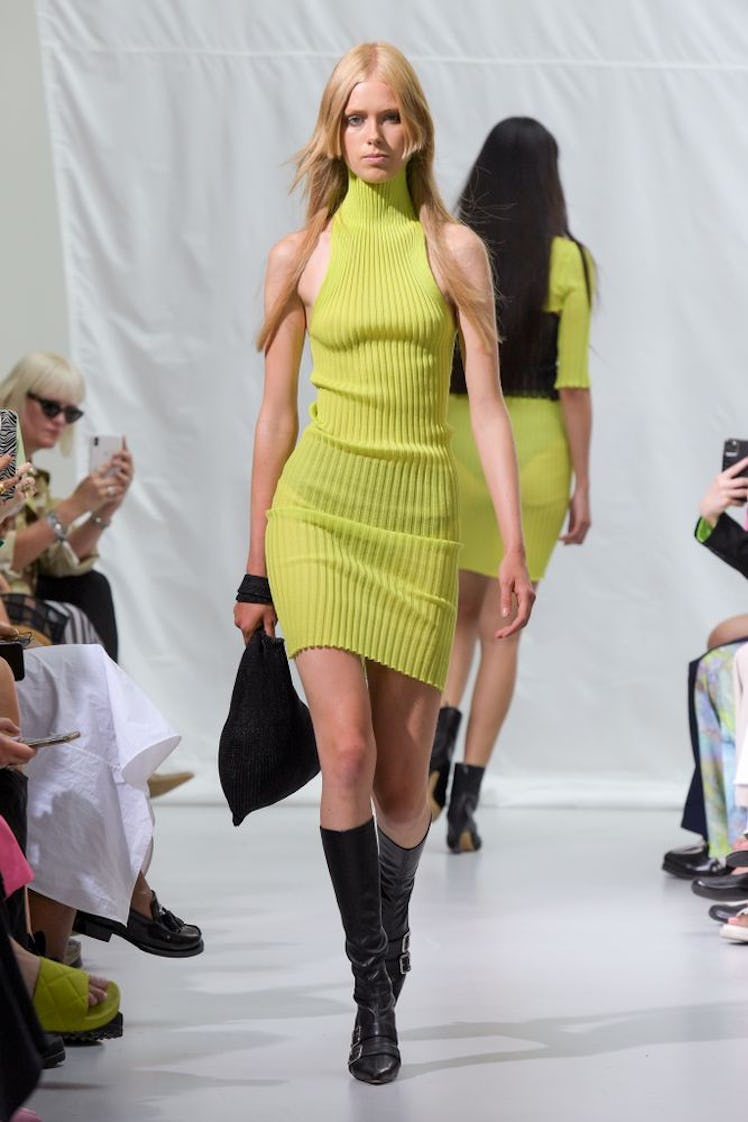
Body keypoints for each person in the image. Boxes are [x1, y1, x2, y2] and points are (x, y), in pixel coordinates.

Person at [233, 42, 534, 1085]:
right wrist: (254, 565)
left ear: (416, 131)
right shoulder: (297, 255)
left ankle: (391, 921)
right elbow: (272, 421)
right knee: (349, 758)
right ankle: (372, 993)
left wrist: (513, 545)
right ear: (334, 130)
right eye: (356, 118)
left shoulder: (453, 250)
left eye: (389, 118)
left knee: (407, 789)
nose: (372, 135)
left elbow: (486, 410)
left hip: (415, 528)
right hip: (316, 519)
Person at [427, 117, 594, 851]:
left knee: (456, 622)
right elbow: (575, 386)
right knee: (504, 629)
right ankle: (466, 801)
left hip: (459, 444)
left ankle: (430, 773)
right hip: (535, 455)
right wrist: (583, 482)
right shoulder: (570, 261)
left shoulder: (454, 249)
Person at [0, 352, 132, 656]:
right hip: (11, 603)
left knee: (92, 585)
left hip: (24, 600)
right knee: (74, 613)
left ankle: (106, 696)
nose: (60, 421)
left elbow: (55, 565)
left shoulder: (35, 479)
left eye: (70, 413)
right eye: (50, 408)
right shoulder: (6, 465)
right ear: (19, 395)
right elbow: (9, 557)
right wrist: (73, 506)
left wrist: (103, 509)